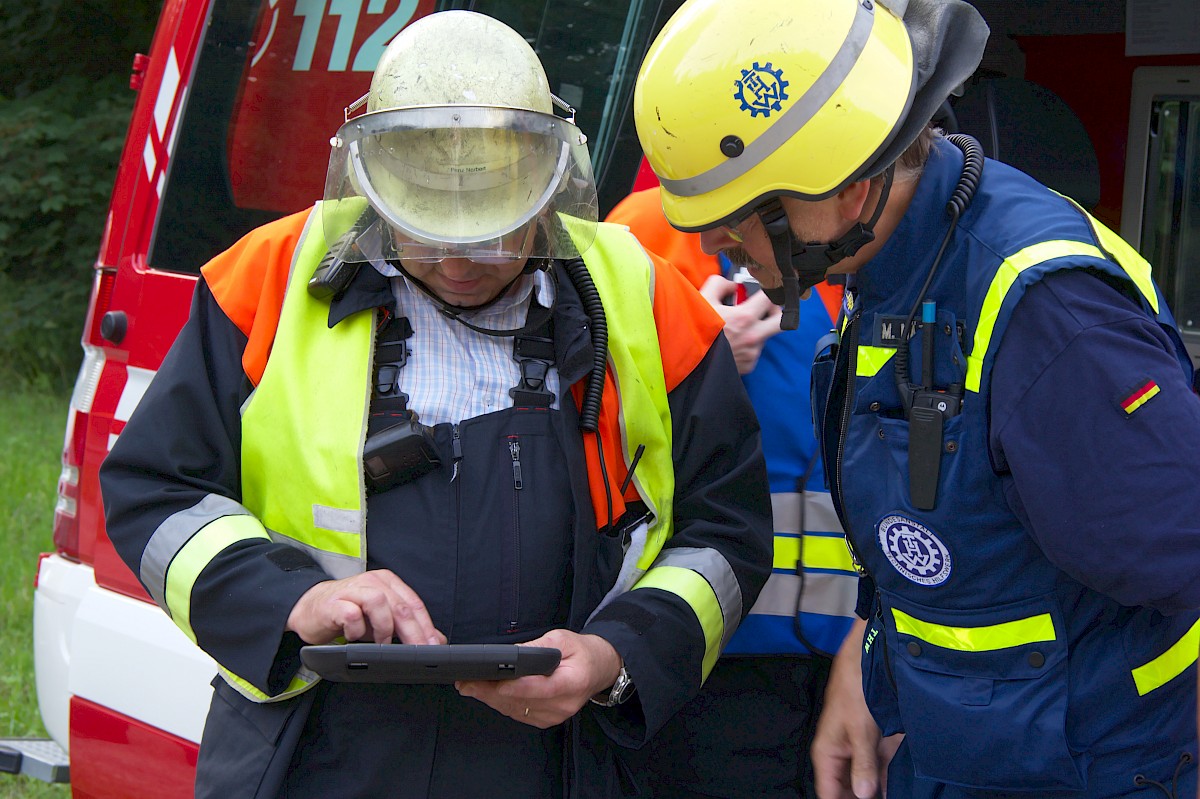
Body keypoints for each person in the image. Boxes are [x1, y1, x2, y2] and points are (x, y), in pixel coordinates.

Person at [98, 11, 773, 798]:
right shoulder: (267, 280)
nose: (458, 263)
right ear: (375, 185)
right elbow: (158, 493)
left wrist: (618, 655)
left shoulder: (643, 295)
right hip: (315, 751)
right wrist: (296, 599)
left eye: (492, 232)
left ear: (550, 186)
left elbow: (723, 532)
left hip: (561, 757)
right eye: (427, 232)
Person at [631, 0, 1200, 797]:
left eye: (737, 219)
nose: (715, 244)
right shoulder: (898, 267)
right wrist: (867, 673)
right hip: (959, 756)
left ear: (851, 185)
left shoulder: (1049, 318)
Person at [606, 187, 858, 798]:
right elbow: (581, 428)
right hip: (712, 653)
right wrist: (698, 356)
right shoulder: (644, 229)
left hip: (860, 648)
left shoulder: (853, 232)